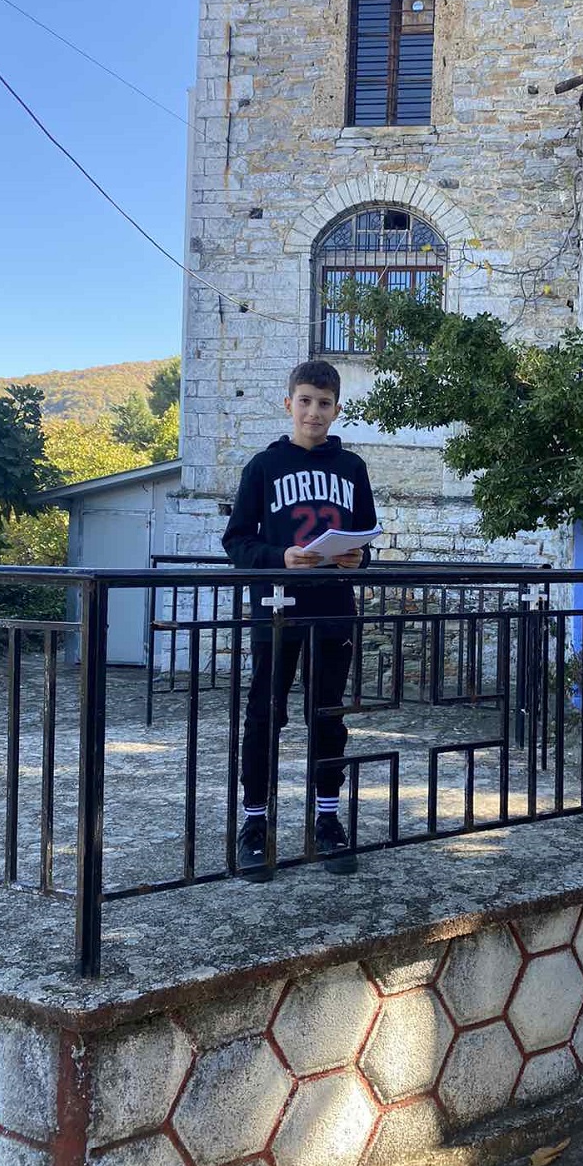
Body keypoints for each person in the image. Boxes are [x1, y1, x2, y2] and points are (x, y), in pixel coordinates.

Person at [222, 359, 377, 882]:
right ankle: (254, 824)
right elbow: (236, 542)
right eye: (305, 401)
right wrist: (279, 557)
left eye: (324, 403)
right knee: (265, 714)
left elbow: (365, 538)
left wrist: (358, 559)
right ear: (289, 403)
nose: (314, 411)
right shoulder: (263, 467)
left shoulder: (352, 468)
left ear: (337, 409)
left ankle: (327, 820)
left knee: (328, 715)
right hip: (277, 608)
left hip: (333, 608)